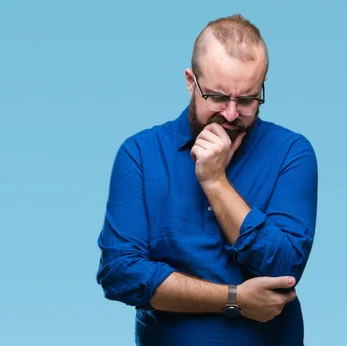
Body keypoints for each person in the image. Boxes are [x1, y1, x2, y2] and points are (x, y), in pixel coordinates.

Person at [95, 14, 318, 346]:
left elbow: (282, 271)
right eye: (216, 97)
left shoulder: (292, 152)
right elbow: (120, 274)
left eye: (246, 100)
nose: (230, 113)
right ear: (190, 81)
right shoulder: (140, 154)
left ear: (262, 87)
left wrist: (215, 182)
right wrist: (234, 298)